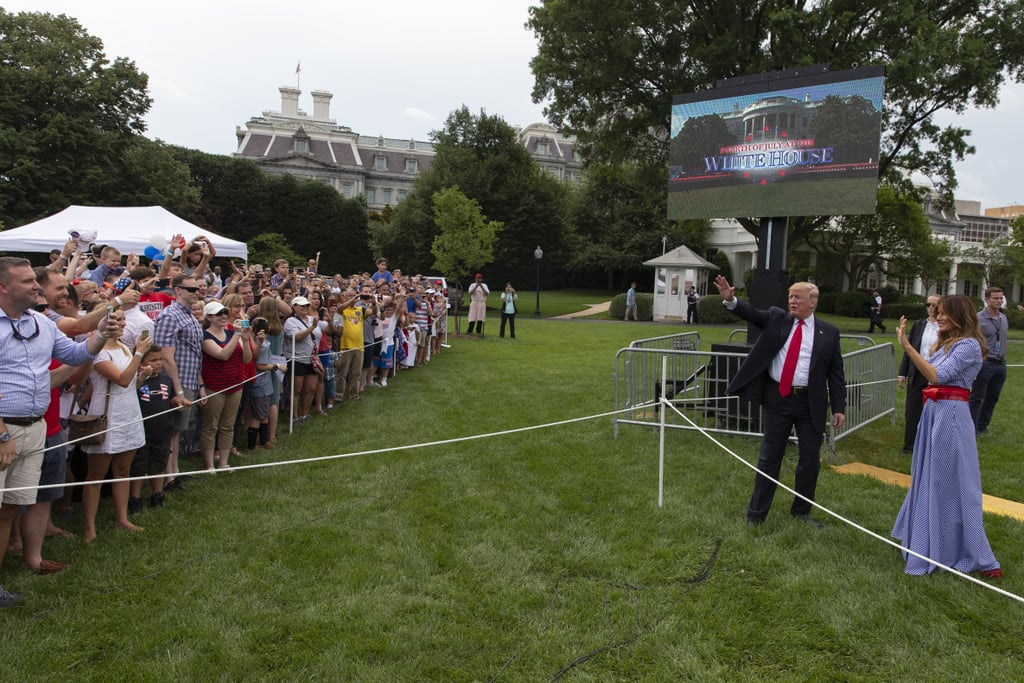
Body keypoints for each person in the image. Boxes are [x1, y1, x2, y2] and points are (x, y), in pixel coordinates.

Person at [0, 256, 118, 606]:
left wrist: (101, 334)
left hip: (35, 429)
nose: (36, 287)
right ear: (3, 287)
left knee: (9, 508)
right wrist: (2, 434)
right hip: (4, 430)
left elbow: (76, 353)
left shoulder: (41, 322)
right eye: (26, 282)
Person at [713, 275, 846, 527]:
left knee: (809, 460)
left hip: (810, 404)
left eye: (798, 297)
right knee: (769, 457)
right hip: (779, 399)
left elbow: (836, 373)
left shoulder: (828, 333)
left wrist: (839, 407)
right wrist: (731, 300)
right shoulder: (777, 318)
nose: (792, 301)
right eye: (790, 297)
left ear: (812, 303)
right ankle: (756, 514)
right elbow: (751, 313)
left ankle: (802, 511)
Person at [892, 295, 1002, 578]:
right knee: (928, 476)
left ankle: (962, 550)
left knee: (950, 481)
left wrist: (907, 346)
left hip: (951, 417)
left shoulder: (968, 346)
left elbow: (937, 376)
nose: (938, 317)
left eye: (944, 313)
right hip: (935, 413)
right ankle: (925, 538)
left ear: (959, 315)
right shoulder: (947, 343)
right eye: (937, 312)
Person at [80, 308, 151, 543]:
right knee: (96, 474)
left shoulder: (122, 346)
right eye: (117, 320)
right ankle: (89, 527)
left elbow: (130, 381)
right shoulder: (98, 352)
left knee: (123, 470)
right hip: (107, 414)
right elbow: (120, 380)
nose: (122, 324)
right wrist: (140, 354)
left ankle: (122, 518)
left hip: (129, 411)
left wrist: (143, 375)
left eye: (123, 320)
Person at [152, 274, 205, 489]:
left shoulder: (190, 315)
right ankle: (167, 477)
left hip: (189, 379)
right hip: (176, 381)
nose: (196, 293)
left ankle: (174, 473)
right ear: (178, 291)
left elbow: (195, 353)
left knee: (178, 431)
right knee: (172, 430)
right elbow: (165, 356)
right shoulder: (170, 316)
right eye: (191, 289)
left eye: (197, 289)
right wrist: (178, 389)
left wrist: (197, 385)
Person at [199, 300, 252, 470]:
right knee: (211, 426)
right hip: (214, 385)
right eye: (219, 313)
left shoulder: (232, 334)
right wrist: (237, 335)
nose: (223, 316)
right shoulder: (205, 336)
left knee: (228, 425)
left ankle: (223, 462)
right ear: (209, 317)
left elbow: (246, 359)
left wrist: (246, 339)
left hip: (235, 384)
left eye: (224, 313)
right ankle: (209, 465)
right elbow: (222, 355)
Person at [897, 295, 941, 454]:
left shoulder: (945, 327)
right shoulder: (919, 325)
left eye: (934, 305)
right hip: (917, 373)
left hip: (936, 373)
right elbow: (909, 349)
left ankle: (931, 445)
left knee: (934, 411)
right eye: (928, 304)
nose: (930, 308)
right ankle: (909, 446)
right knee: (912, 410)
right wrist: (902, 373)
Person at [970, 286, 1008, 434]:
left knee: (993, 397)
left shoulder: (1003, 318)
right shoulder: (978, 319)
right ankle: (972, 427)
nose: (999, 301)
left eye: (1001, 298)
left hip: (1000, 364)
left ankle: (982, 425)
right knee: (977, 397)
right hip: (985, 363)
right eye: (995, 298)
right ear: (987, 299)